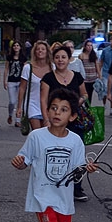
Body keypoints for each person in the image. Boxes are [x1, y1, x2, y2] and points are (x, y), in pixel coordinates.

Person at [13, 87, 98, 222]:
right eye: (53, 108)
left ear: (72, 116)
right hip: (43, 198)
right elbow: (25, 160)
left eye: (63, 110)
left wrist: (87, 169)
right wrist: (20, 162)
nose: (57, 113)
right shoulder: (36, 136)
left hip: (64, 200)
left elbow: (77, 171)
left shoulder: (75, 141)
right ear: (47, 111)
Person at [41, 44, 90, 202]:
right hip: (55, 122)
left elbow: (85, 94)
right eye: (57, 57)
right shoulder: (48, 78)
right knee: (56, 153)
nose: (60, 60)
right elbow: (43, 100)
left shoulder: (76, 76)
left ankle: (77, 187)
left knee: (77, 153)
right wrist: (46, 120)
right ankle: (56, 184)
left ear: (69, 59)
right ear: (53, 59)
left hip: (74, 120)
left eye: (63, 57)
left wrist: (78, 102)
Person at [16, 40, 51, 132]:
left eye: (43, 49)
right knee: (37, 132)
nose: (40, 51)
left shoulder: (53, 67)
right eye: (38, 49)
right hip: (32, 105)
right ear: (34, 52)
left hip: (48, 105)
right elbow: (22, 88)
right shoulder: (28, 68)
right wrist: (19, 107)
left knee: (46, 133)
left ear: (47, 52)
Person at [5, 41, 24, 126]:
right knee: (12, 101)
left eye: (17, 45)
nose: (16, 47)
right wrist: (5, 80)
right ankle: (10, 115)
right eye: (14, 46)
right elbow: (6, 69)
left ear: (20, 47)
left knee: (20, 101)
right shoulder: (9, 57)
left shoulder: (23, 58)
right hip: (11, 81)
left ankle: (18, 120)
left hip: (20, 81)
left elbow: (25, 70)